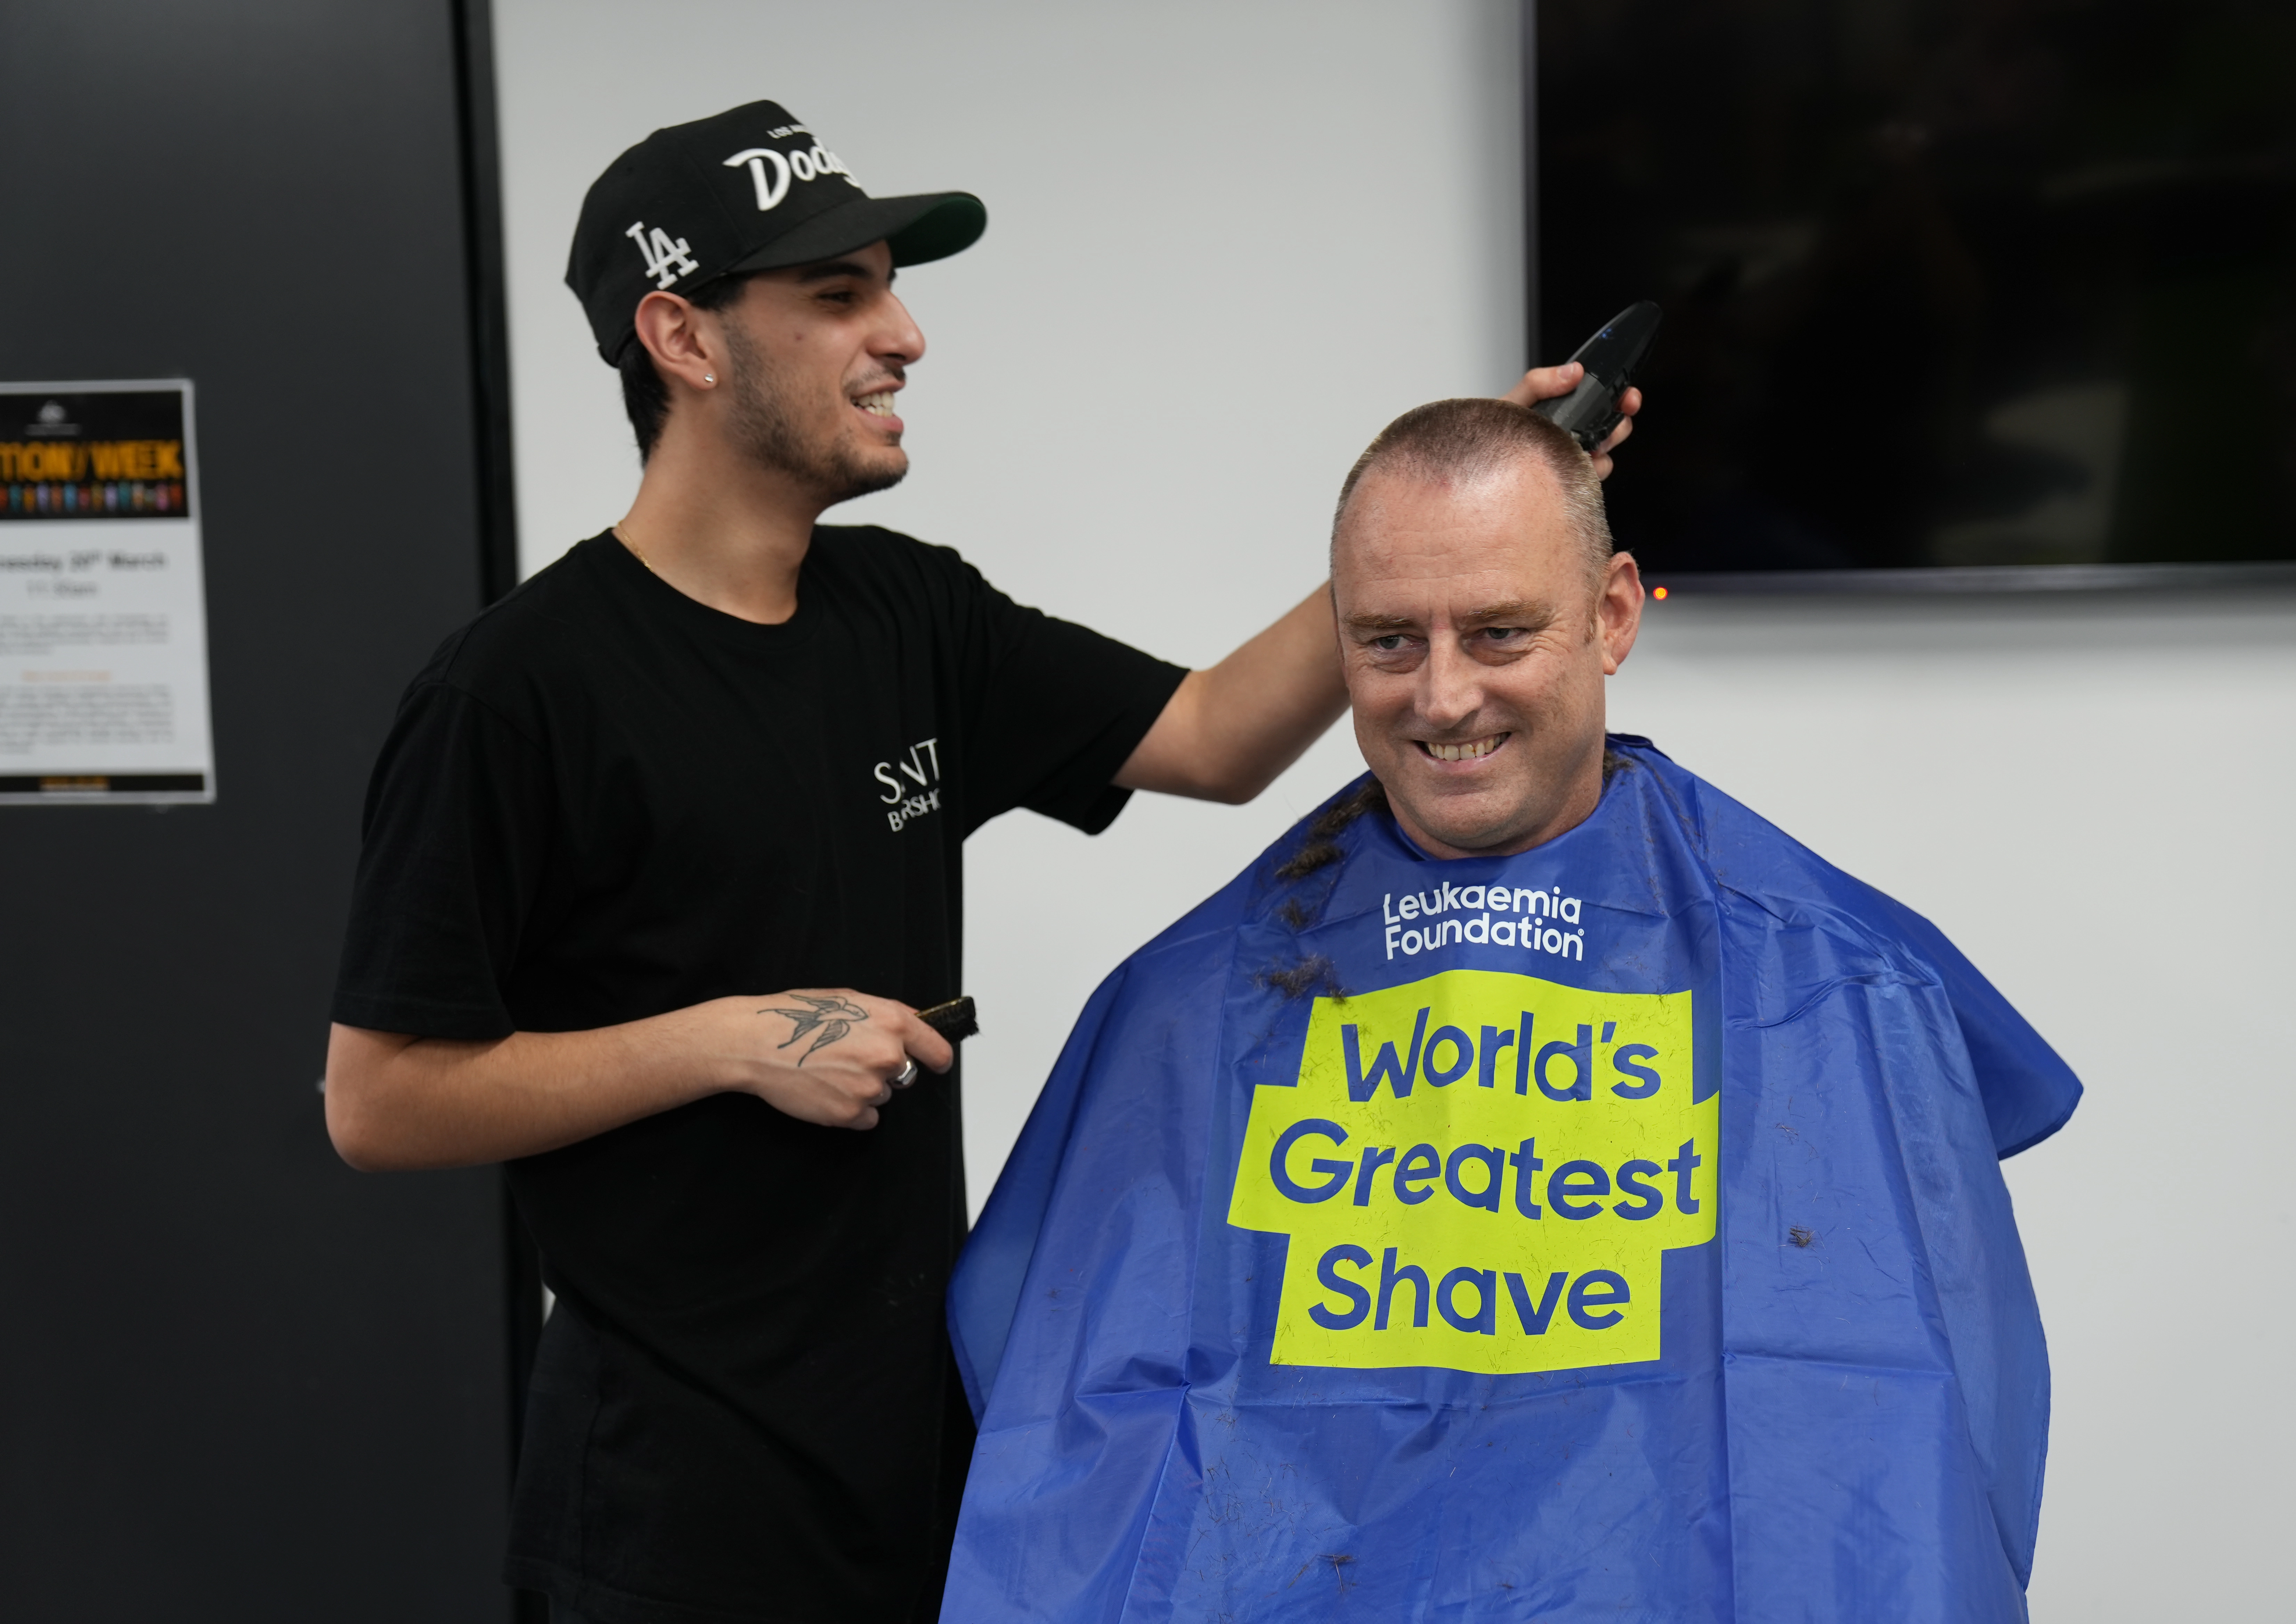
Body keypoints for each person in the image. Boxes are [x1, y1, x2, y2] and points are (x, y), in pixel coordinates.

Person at [320, 103, 1637, 1624]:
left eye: (889, 284)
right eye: (838, 297)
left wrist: (1457, 517)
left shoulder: (906, 614)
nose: (905, 335)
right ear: (680, 336)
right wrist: (729, 1043)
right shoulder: (519, 690)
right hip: (678, 1521)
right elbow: (380, 1096)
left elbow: (1212, 735)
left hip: (922, 1471)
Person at [942, 397, 2082, 1623]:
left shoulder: (1830, 977)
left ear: (1613, 615)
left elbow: (1925, 1435)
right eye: (1387, 641)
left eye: (1498, 633)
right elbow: (1053, 1409)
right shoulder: (1191, 1002)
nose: (1441, 696)